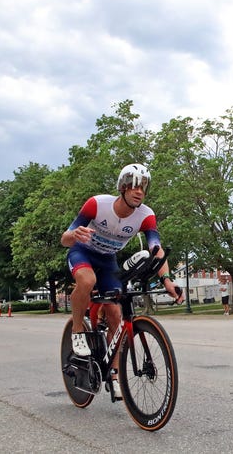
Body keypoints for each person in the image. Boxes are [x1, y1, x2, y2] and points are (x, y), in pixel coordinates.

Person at [61, 163, 182, 399]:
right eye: (135, 186)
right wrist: (74, 235)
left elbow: (155, 249)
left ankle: (114, 374)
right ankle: (77, 329)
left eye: (144, 187)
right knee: (87, 280)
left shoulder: (145, 215)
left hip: (108, 260)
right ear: (123, 187)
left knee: (117, 314)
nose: (139, 191)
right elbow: (65, 238)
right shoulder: (97, 204)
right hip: (82, 252)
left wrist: (167, 281)